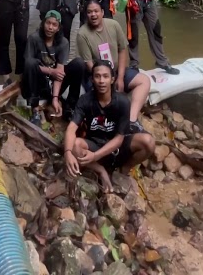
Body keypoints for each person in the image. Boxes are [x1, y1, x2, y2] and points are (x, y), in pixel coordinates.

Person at [64, 60, 156, 193]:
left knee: (148, 142)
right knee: (74, 144)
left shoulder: (123, 102)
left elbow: (119, 139)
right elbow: (72, 128)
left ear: (112, 79)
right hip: (94, 144)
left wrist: (95, 155)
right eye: (97, 76)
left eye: (105, 76)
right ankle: (100, 170)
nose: (101, 81)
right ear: (92, 79)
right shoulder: (85, 100)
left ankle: (124, 169)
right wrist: (67, 152)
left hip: (117, 147)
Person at [70, 0, 150, 131]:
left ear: (102, 12)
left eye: (96, 11)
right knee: (104, 96)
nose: (93, 15)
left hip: (117, 71)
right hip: (97, 76)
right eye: (89, 12)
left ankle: (131, 120)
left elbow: (122, 50)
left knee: (144, 81)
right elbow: (89, 65)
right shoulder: (82, 34)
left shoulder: (113, 25)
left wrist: (119, 78)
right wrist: (108, 81)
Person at [21, 10, 83, 123]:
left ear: (58, 28)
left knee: (78, 63)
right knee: (31, 63)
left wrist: (55, 98)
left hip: (54, 83)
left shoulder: (63, 42)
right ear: (43, 23)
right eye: (48, 23)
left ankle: (70, 107)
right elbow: (28, 66)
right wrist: (50, 71)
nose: (50, 27)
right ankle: (35, 109)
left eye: (54, 25)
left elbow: (59, 72)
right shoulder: (33, 38)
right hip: (38, 83)